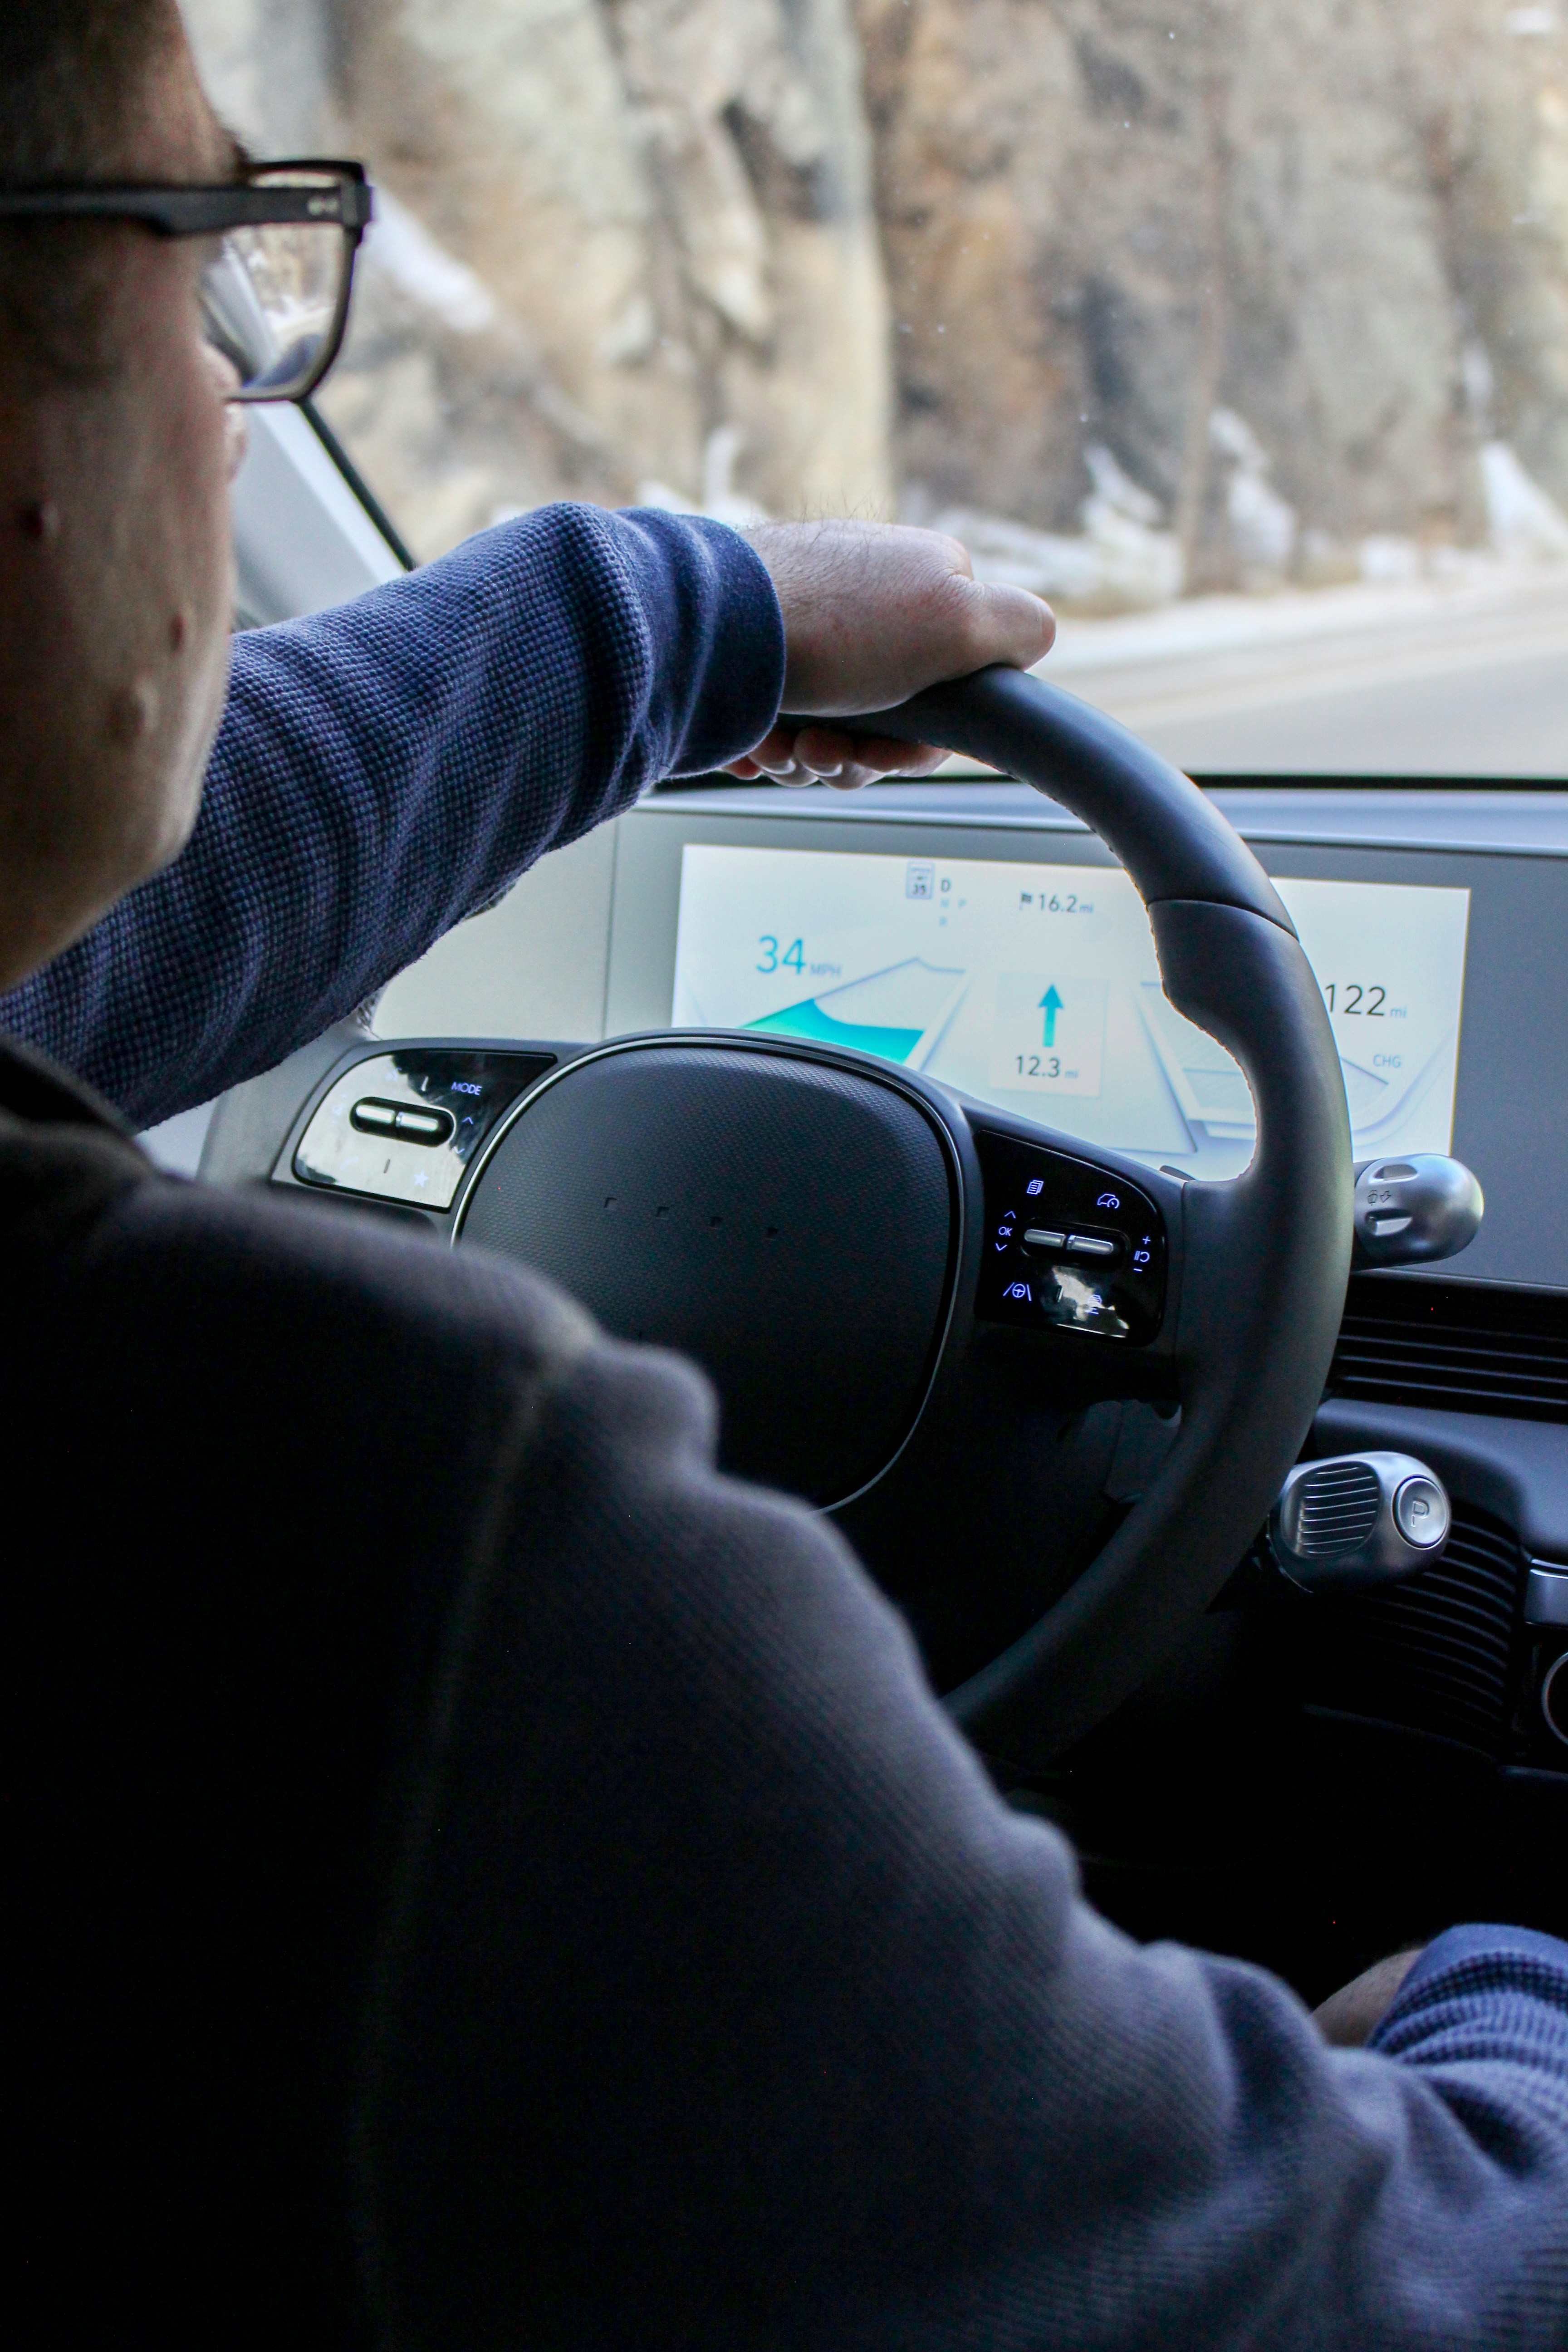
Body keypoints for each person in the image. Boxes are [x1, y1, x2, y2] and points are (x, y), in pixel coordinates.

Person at [5, 5, 1568, 2346]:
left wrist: (661, 623)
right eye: (202, 254)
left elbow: (85, 941)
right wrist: (1495, 2000)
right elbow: (1365, 2288)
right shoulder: (393, 1513)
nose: (238, 400)